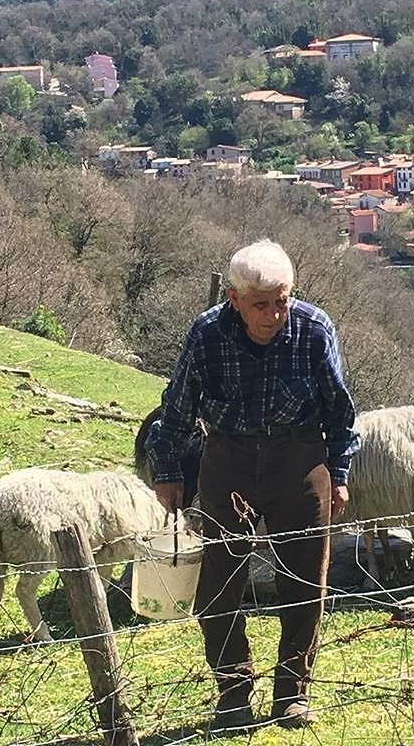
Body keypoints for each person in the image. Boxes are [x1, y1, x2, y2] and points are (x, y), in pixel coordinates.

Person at [150, 239, 358, 731]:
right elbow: (177, 406)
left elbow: (339, 407)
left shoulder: (313, 329)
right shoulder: (207, 333)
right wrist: (168, 471)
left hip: (299, 460)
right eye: (261, 305)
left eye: (282, 301)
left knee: (304, 584)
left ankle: (292, 693)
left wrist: (340, 473)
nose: (274, 315)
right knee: (219, 588)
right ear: (234, 299)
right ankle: (233, 693)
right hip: (229, 460)